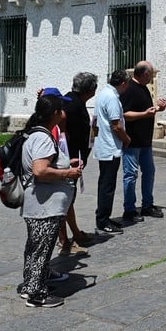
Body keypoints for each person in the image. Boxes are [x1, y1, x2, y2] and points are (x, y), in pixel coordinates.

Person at [17, 92, 83, 308]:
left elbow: (45, 163)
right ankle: (36, 294)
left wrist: (65, 163)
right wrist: (68, 174)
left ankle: (31, 283)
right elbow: (40, 170)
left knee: (35, 247)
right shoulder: (43, 137)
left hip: (38, 204)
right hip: (44, 205)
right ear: (56, 113)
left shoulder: (35, 134)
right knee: (42, 248)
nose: (64, 114)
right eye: (62, 110)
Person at [120, 61, 166, 222]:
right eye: (152, 75)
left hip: (145, 141)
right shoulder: (129, 89)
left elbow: (145, 110)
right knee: (130, 175)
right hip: (132, 142)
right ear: (145, 74)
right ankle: (130, 209)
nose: (153, 78)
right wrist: (145, 114)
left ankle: (147, 205)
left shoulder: (144, 88)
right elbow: (124, 114)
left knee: (149, 172)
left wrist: (158, 109)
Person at [57, 73, 97, 254]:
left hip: (73, 160)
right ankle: (63, 242)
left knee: (69, 200)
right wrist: (68, 158)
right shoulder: (70, 106)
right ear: (90, 90)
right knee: (63, 201)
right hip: (68, 162)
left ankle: (75, 233)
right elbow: (63, 132)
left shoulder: (71, 100)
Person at [93, 70, 131, 235]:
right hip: (110, 148)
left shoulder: (104, 93)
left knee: (106, 184)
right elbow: (116, 125)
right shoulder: (112, 97)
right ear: (123, 83)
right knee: (107, 185)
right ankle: (103, 220)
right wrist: (126, 139)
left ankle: (104, 216)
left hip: (106, 146)